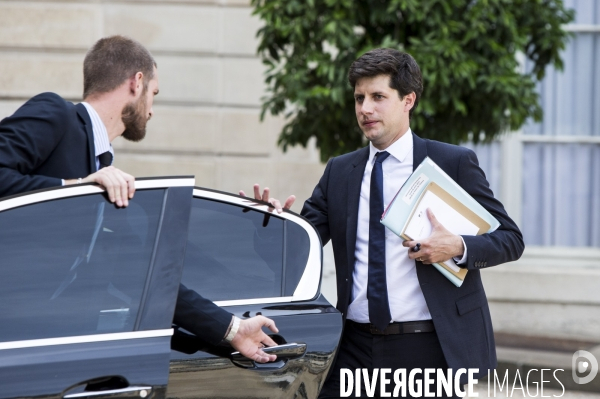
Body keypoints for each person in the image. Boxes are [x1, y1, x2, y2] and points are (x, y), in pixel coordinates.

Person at [0, 35, 283, 363]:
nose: (152, 111)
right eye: (154, 94)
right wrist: (76, 186)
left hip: (46, 350)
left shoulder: (108, 180)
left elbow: (148, 275)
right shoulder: (57, 114)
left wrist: (232, 329)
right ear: (137, 83)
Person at [298, 48, 525, 397]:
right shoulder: (340, 171)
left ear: (408, 100)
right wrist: (271, 221)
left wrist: (459, 247)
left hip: (429, 349)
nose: (365, 109)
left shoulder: (453, 162)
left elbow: (510, 239)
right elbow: (303, 243)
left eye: (378, 97)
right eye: (359, 98)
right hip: (353, 348)